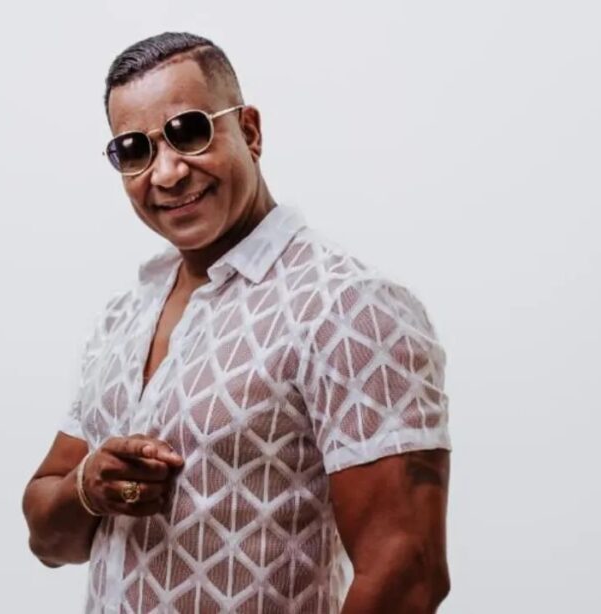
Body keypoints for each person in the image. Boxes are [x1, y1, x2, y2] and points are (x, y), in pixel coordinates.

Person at [22, 32, 451, 614]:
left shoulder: (347, 304)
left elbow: (408, 572)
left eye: (189, 132)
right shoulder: (125, 316)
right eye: (134, 150)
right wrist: (88, 489)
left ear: (249, 131)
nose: (167, 172)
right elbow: (47, 539)